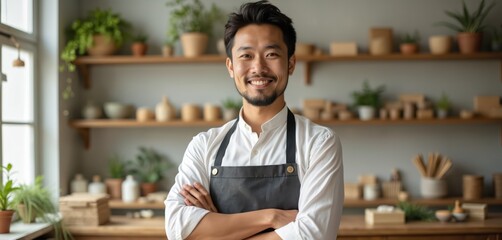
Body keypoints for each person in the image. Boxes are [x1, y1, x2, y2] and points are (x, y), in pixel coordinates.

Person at [165, 1, 344, 239]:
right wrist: (271, 217)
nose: (258, 67)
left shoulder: (319, 143)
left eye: (271, 54)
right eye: (246, 55)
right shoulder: (204, 146)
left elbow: (313, 235)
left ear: (290, 63)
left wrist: (217, 229)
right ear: (231, 66)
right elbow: (178, 230)